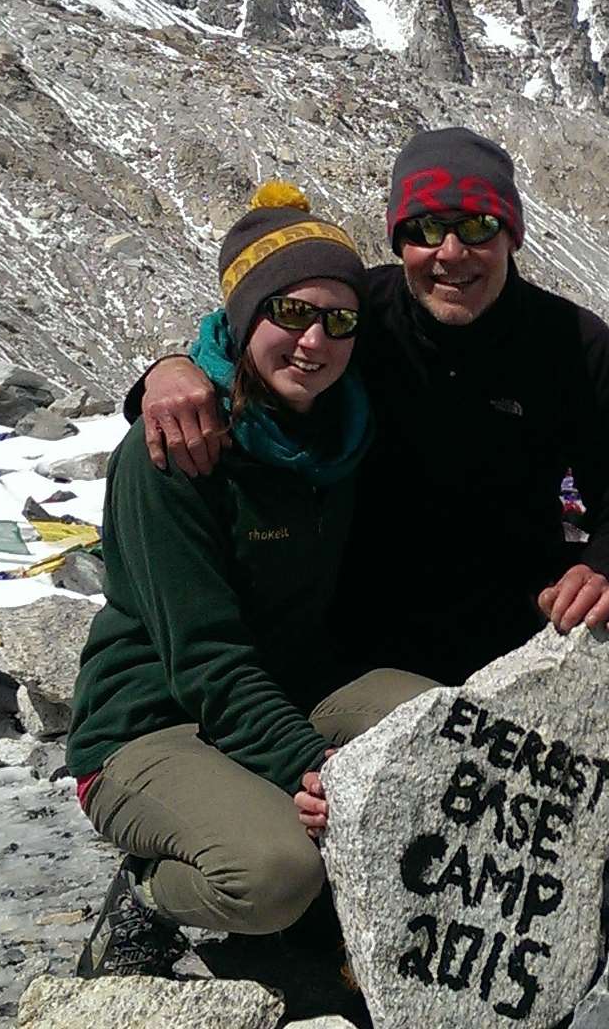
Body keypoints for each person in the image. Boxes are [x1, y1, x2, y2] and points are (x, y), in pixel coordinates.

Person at [132, 129, 609, 1026]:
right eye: (423, 228)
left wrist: (607, 573)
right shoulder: (354, 318)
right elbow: (248, 342)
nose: (449, 252)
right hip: (364, 616)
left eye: (476, 225)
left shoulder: (571, 342)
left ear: (513, 234)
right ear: (397, 239)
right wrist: (165, 371)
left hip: (519, 597)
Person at [66, 184, 438, 979]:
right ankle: (147, 895)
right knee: (278, 874)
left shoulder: (341, 426)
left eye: (339, 320)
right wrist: (312, 766)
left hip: (292, 680)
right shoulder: (175, 450)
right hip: (152, 717)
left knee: (444, 735)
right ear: (243, 319)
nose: (314, 341)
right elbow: (204, 659)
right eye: (290, 313)